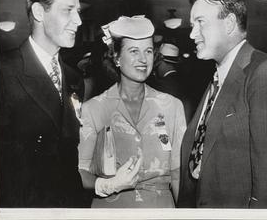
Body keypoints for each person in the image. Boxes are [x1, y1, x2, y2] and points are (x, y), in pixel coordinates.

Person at [178, 0, 267, 208]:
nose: (192, 33)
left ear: (229, 23)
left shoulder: (264, 71)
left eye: (200, 22)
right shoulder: (217, 78)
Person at [0, 0, 88, 207]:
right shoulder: (3, 72)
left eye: (78, 11)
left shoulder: (75, 78)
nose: (78, 20)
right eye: (68, 10)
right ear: (39, 12)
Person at [78, 15, 187, 208]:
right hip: (110, 211)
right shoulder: (94, 108)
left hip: (160, 211)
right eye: (134, 51)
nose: (143, 59)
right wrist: (108, 184)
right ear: (117, 57)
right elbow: (81, 172)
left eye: (148, 51)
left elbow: (177, 175)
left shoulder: (172, 106)